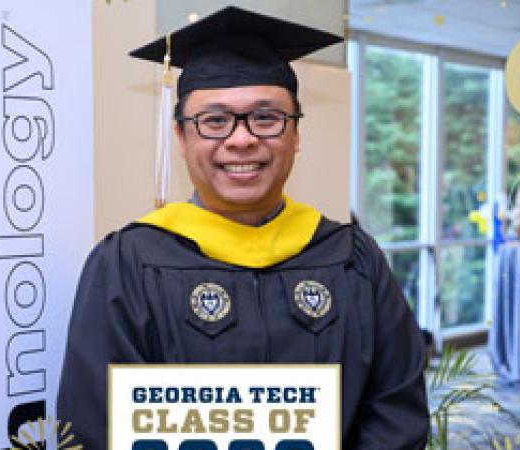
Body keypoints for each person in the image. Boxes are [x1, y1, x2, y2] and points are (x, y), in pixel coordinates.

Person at [58, 6, 429, 449]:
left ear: (295, 135)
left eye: (266, 118)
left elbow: (396, 413)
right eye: (214, 120)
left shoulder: (353, 258)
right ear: (181, 138)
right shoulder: (126, 265)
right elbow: (97, 426)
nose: (241, 139)